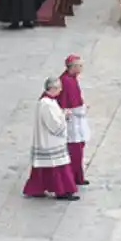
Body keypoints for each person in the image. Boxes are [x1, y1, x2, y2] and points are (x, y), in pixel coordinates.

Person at [23, 77, 79, 201]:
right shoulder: (46, 104)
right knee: (59, 167)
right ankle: (63, 191)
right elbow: (54, 124)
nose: (60, 91)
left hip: (47, 140)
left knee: (43, 167)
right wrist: (65, 116)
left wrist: (62, 113)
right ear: (52, 88)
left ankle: (36, 189)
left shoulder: (47, 101)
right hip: (51, 141)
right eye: (59, 88)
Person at [58, 55, 90, 186]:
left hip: (75, 118)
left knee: (78, 150)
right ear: (73, 67)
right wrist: (82, 109)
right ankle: (73, 178)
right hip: (72, 120)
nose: (82, 68)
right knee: (74, 151)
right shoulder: (67, 81)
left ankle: (78, 176)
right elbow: (69, 103)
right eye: (80, 65)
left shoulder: (71, 79)